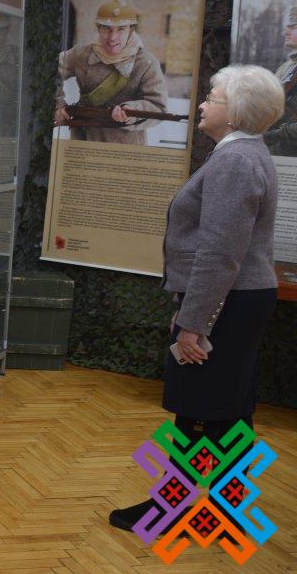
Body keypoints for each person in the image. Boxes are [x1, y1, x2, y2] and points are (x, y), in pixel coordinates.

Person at [109, 64, 284, 532]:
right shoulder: (244, 153)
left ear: (237, 112)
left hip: (225, 301)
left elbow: (220, 254)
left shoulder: (235, 161)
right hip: (237, 298)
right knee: (226, 409)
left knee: (199, 410)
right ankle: (229, 511)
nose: (202, 104)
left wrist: (193, 323)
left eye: (212, 97)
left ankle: (169, 512)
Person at [53, 0, 167, 144]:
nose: (113, 37)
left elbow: (158, 107)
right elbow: (50, 71)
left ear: (131, 30)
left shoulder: (146, 63)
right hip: (83, 142)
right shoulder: (81, 54)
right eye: (107, 28)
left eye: (121, 29)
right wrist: (58, 105)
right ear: (98, 28)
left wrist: (130, 111)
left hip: (125, 147)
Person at [263, 6, 297, 156]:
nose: (286, 32)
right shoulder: (287, 67)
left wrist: (270, 136)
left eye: (293, 27)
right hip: (276, 148)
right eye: (287, 27)